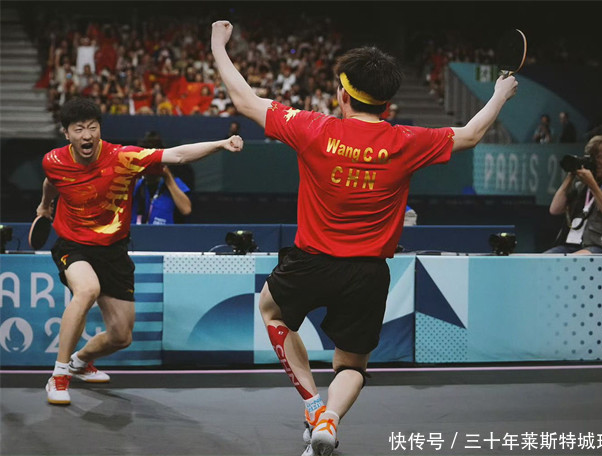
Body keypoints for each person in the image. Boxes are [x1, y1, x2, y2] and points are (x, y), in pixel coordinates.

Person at [211, 20, 517, 456]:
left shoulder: (313, 128)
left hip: (310, 262)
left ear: (343, 94)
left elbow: (244, 100)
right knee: (351, 365)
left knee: (271, 309)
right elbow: (470, 134)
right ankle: (330, 419)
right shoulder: (406, 141)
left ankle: (313, 405)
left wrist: (218, 45)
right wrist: (500, 94)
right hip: (368, 273)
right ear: (387, 103)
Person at [37, 97, 243, 405]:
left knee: (121, 336)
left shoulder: (123, 157)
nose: (87, 135)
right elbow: (52, 182)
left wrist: (221, 143)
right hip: (74, 244)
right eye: (79, 129)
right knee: (87, 290)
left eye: (92, 127)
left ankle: (80, 362)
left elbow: (178, 155)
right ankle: (58, 376)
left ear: (100, 129)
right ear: (66, 133)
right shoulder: (53, 160)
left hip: (113, 249)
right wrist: (44, 206)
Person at [544, 135, 602, 254]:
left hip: (599, 246)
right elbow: (555, 209)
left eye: (599, 157)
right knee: (542, 260)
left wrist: (592, 185)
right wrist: (571, 176)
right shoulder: (580, 186)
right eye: (592, 158)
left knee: (573, 260)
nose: (595, 163)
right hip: (568, 245)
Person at [131, 132, 192, 225]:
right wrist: (135, 174)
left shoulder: (174, 182)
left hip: (164, 232)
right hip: (137, 231)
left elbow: (186, 210)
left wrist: (167, 177)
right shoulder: (137, 184)